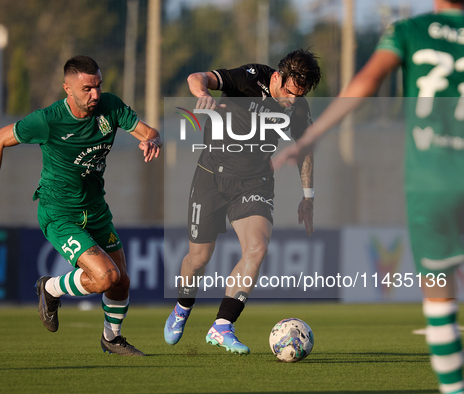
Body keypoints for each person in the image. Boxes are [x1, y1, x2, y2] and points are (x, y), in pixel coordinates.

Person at [273, 1, 464, 392]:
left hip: (432, 180)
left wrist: (310, 137)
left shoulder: (409, 31)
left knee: (441, 301)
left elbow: (366, 84)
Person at [0, 55, 161, 356]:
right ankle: (50, 289)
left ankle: (111, 339)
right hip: (60, 213)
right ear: (67, 89)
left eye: (98, 86)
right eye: (87, 88)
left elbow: (149, 132)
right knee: (105, 277)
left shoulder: (110, 106)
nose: (95, 94)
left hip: (96, 209)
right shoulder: (47, 120)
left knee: (121, 281)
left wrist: (152, 141)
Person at [164, 49, 322, 354]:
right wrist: (201, 94)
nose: (291, 100)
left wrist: (307, 197)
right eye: (289, 92)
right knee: (198, 260)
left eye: (299, 95)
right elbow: (197, 77)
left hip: (255, 182)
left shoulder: (298, 107)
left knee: (257, 247)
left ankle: (222, 325)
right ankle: (183, 307)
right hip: (211, 176)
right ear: (277, 77)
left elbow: (305, 150)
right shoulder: (248, 78)